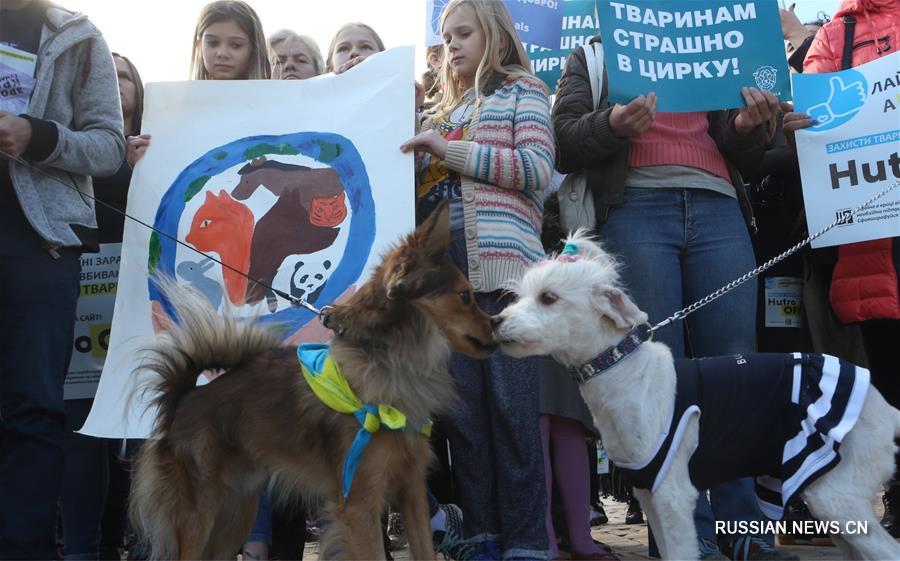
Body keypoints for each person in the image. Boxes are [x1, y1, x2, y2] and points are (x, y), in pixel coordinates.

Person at [552, 34, 801, 561]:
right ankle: (682, 536)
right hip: (635, 207)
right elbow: (565, 139)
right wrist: (613, 125)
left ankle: (744, 532)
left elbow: (750, 158)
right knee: (656, 378)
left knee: (735, 370)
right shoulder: (594, 53)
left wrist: (744, 127)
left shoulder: (716, 41)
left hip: (719, 210)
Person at [401, 1, 555, 558]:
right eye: (445, 36)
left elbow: (538, 170)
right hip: (449, 290)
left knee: (513, 415)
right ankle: (485, 536)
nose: (452, 44)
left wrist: (452, 151)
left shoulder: (525, 91)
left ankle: (528, 543)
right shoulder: (439, 112)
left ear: (496, 33)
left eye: (464, 32)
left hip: (507, 278)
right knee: (464, 418)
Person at [0, 0, 125, 558]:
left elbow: (110, 146)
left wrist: (38, 137)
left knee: (34, 407)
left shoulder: (79, 36)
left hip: (40, 247)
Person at [784, 0, 900, 538]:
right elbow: (815, 129)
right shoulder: (836, 36)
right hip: (873, 240)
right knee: (893, 381)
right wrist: (798, 124)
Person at [59, 52, 144, 561]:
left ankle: (130, 540)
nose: (115, 83)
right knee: (82, 429)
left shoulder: (165, 141)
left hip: (144, 302)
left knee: (140, 429)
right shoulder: (68, 146)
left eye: (124, 76)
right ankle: (84, 548)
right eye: (103, 76)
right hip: (82, 301)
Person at [126, 0, 270, 167]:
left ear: (253, 49)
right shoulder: (173, 111)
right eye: (213, 43)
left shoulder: (275, 110)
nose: (222, 53)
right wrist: (140, 162)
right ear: (199, 45)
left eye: (235, 45)